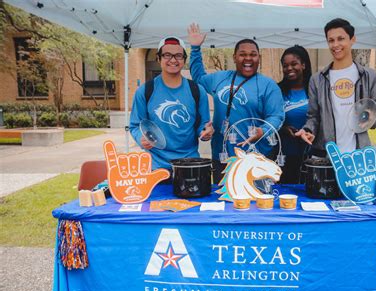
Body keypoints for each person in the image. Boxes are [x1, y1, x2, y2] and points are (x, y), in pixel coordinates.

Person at [187, 23, 285, 184]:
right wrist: (196, 48)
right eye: (242, 54)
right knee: (225, 202)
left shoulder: (268, 85)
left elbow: (277, 116)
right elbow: (198, 77)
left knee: (256, 204)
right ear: (234, 57)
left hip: (256, 158)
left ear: (258, 57)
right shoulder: (220, 78)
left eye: (253, 54)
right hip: (223, 156)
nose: (248, 58)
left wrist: (264, 130)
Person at [296, 18, 376, 157]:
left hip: (358, 155)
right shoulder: (317, 79)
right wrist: (308, 130)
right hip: (326, 155)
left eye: (341, 39)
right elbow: (313, 116)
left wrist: (365, 117)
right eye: (331, 40)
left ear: (352, 39)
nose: (336, 45)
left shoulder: (370, 76)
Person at [129, 36, 213, 172]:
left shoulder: (197, 91)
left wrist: (206, 133)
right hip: (155, 167)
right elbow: (134, 125)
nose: (173, 60)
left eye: (178, 56)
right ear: (158, 58)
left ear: (184, 60)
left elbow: (202, 126)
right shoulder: (145, 91)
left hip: (189, 164)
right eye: (167, 55)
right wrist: (140, 138)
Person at [278, 45, 312, 184]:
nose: (289, 68)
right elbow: (269, 118)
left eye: (294, 64)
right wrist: (283, 129)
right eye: (285, 65)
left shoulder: (314, 89)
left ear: (303, 65)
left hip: (310, 153)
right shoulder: (277, 90)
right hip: (284, 155)